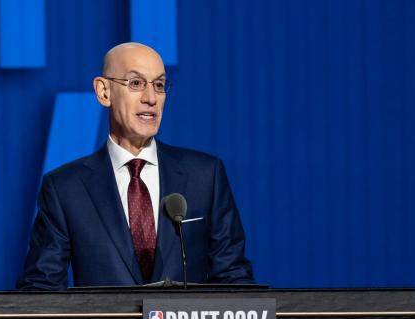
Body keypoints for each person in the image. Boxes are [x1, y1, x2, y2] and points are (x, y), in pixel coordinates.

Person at [17, 42, 253, 289]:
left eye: (159, 85)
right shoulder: (65, 188)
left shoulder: (205, 176)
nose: (151, 98)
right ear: (104, 92)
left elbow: (234, 279)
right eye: (136, 83)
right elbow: (41, 288)